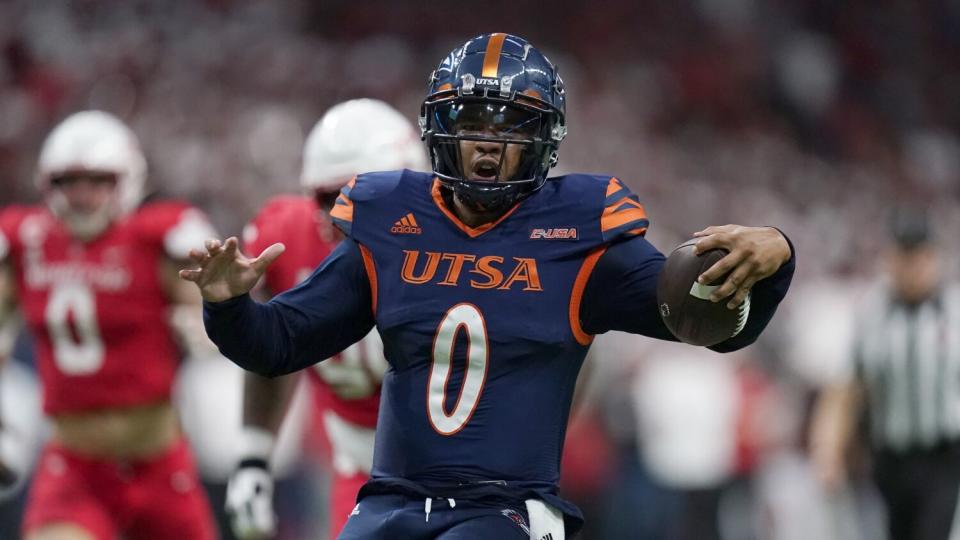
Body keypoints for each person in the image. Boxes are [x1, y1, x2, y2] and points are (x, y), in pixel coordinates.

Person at [184, 33, 795, 539]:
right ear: (439, 127)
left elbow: (704, 326)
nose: (489, 143)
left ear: (545, 138)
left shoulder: (580, 232)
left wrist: (775, 259)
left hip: (508, 510)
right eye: (472, 121)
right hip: (391, 503)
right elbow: (278, 344)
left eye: (512, 126)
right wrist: (227, 304)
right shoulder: (392, 220)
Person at [0, 110, 218, 540]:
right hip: (76, 465)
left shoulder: (153, 238)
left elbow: (202, 308)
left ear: (126, 182)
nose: (82, 195)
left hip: (158, 460)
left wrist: (204, 317)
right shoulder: (27, 241)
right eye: (69, 183)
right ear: (49, 185)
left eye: (97, 182)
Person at [225, 98, 429, 540]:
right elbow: (273, 348)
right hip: (363, 468)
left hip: (471, 466)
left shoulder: (459, 244)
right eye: (331, 197)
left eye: (364, 192)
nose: (346, 212)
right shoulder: (287, 238)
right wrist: (254, 457)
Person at [810, 208, 960, 540]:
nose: (913, 267)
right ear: (891, 259)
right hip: (890, 458)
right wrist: (828, 448)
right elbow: (846, 387)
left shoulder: (954, 310)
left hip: (944, 456)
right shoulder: (871, 313)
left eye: (920, 256)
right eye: (905, 257)